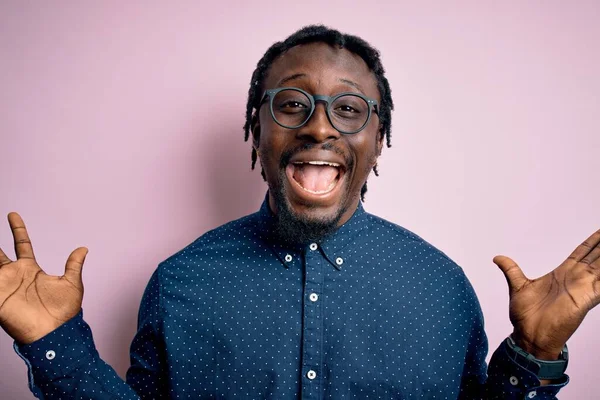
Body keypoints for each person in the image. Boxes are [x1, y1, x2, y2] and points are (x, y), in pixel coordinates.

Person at [0, 25, 598, 399]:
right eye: (292, 103)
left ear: (379, 138)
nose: (318, 125)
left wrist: (534, 354)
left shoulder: (442, 288)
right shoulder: (179, 283)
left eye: (348, 108)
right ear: (255, 130)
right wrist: (56, 343)